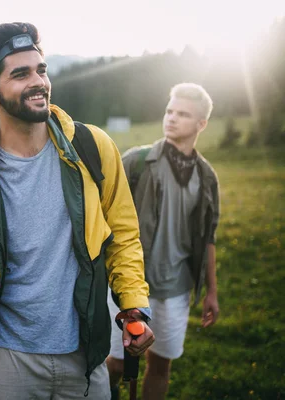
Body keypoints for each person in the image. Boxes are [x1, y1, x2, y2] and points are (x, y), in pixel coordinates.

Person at [0, 22, 155, 399]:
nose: (38, 82)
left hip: (85, 353)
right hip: (4, 359)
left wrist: (132, 304)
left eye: (41, 69)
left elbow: (124, 236)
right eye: (20, 74)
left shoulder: (93, 147)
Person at [106, 83, 220, 399]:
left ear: (201, 124)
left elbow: (208, 237)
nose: (171, 118)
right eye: (169, 111)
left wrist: (211, 291)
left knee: (160, 368)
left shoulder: (207, 176)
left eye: (182, 114)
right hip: (129, 287)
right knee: (115, 364)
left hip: (176, 290)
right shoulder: (135, 162)